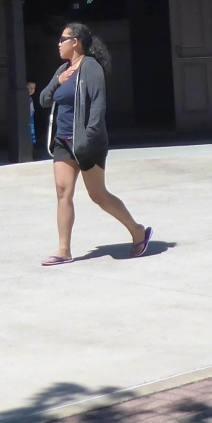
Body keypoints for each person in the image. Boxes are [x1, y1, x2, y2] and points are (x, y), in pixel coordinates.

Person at [42, 22, 151, 267]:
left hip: (87, 144)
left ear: (75, 42)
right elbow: (44, 100)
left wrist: (88, 139)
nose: (59, 44)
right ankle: (63, 250)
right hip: (62, 142)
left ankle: (137, 231)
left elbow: (98, 106)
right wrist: (58, 81)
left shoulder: (90, 68)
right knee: (63, 193)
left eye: (63, 39)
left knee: (98, 195)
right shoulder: (63, 69)